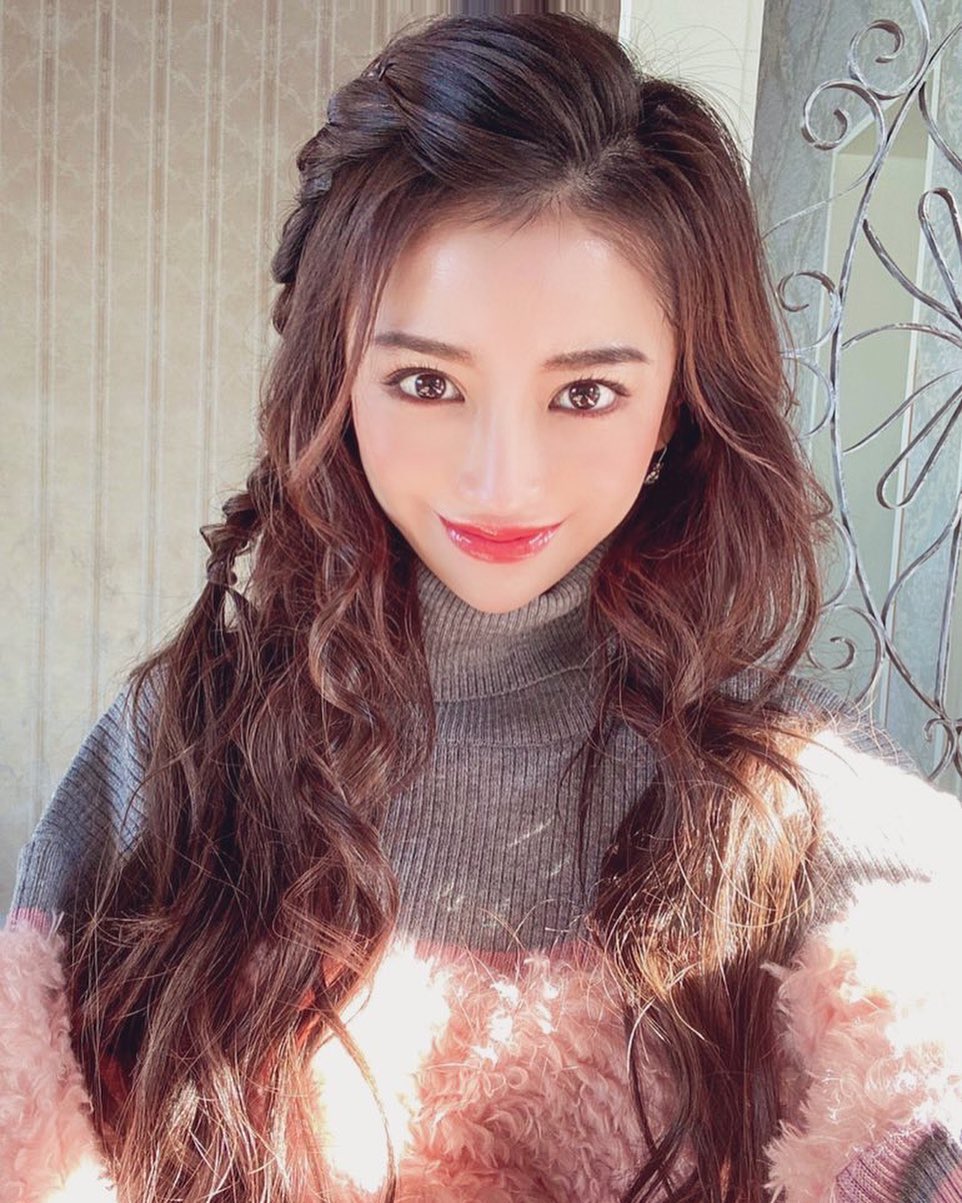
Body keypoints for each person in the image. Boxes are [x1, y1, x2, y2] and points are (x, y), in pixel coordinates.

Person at [2, 12, 961, 1203]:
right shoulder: (179, 752)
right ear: (336, 381)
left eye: (585, 393)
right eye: (426, 381)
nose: (500, 479)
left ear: (675, 408)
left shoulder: (793, 806)